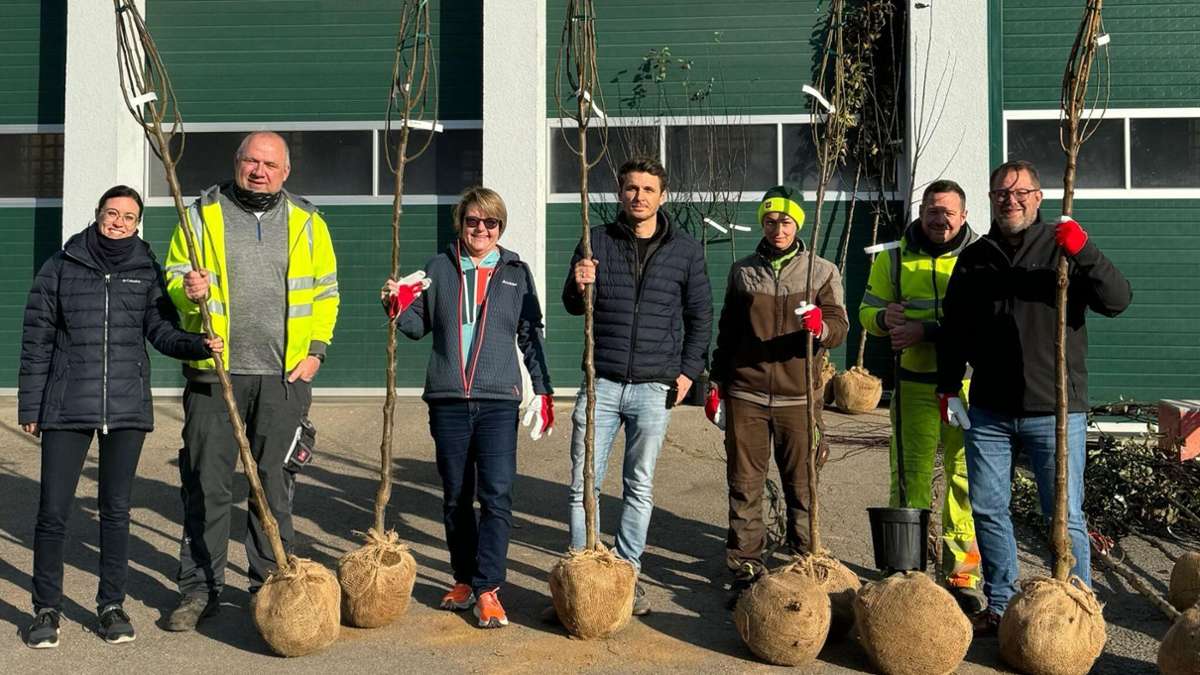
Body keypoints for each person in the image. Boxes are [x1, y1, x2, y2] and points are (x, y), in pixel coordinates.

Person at [18, 186, 222, 648]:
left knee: (115, 511)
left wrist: (198, 345)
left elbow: (162, 331)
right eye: (112, 213)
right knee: (53, 511)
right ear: (98, 214)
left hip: (126, 407)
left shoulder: (146, 269)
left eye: (129, 217)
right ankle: (46, 609)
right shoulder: (61, 266)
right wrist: (31, 406)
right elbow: (36, 341)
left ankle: (111, 606)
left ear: (137, 224)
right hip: (67, 405)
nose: (119, 222)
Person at [936, 159, 1131, 633]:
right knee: (987, 508)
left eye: (1021, 192)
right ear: (991, 200)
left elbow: (1117, 300)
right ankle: (1001, 603)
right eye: (1002, 193)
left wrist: (1085, 251)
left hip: (1055, 410)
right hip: (989, 409)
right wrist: (948, 386)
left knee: (1064, 514)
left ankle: (1076, 609)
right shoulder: (976, 257)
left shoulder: (1062, 247)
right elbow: (955, 327)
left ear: (1038, 197)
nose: (1011, 200)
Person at [161, 131, 339, 631]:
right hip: (215, 373)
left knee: (273, 486)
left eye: (270, 164)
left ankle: (270, 587)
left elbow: (326, 292)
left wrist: (316, 353)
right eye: (251, 161)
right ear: (236, 162)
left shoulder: (308, 222)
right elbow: (173, 276)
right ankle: (200, 589)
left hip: (284, 377)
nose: (259, 171)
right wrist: (187, 288)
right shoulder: (200, 216)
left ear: (286, 172)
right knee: (206, 484)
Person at [383, 187, 554, 629]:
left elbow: (530, 334)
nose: (481, 229)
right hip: (448, 401)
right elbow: (416, 327)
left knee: (496, 495)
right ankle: (463, 580)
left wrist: (544, 390)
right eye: (473, 221)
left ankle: (489, 588)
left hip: (498, 401)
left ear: (501, 227)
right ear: (460, 223)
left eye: (490, 222)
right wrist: (396, 304)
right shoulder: (438, 268)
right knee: (456, 496)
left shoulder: (516, 271)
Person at [561, 157, 713, 616]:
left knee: (639, 485)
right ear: (620, 193)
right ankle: (584, 571)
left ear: (662, 196)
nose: (639, 196)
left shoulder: (686, 251)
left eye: (648, 189)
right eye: (631, 188)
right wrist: (578, 283)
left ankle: (626, 575)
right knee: (582, 483)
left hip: (654, 386)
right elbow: (572, 305)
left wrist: (687, 373)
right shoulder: (595, 241)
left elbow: (700, 317)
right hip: (601, 381)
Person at [707, 185, 848, 604]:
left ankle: (804, 560)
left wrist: (821, 326)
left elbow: (839, 325)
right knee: (744, 484)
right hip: (746, 394)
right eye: (770, 221)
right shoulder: (743, 272)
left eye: (785, 222)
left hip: (799, 397)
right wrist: (716, 383)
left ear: (798, 224)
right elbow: (728, 331)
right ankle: (746, 567)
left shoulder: (821, 271)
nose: (778, 229)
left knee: (802, 485)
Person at [858, 179, 984, 612]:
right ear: (921, 212)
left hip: (967, 386)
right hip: (912, 384)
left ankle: (962, 577)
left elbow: (983, 320)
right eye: (932, 210)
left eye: (948, 212)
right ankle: (906, 572)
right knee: (909, 478)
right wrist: (882, 318)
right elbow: (866, 311)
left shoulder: (980, 256)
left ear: (963, 216)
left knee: (964, 481)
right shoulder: (893, 258)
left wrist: (925, 331)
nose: (939, 219)